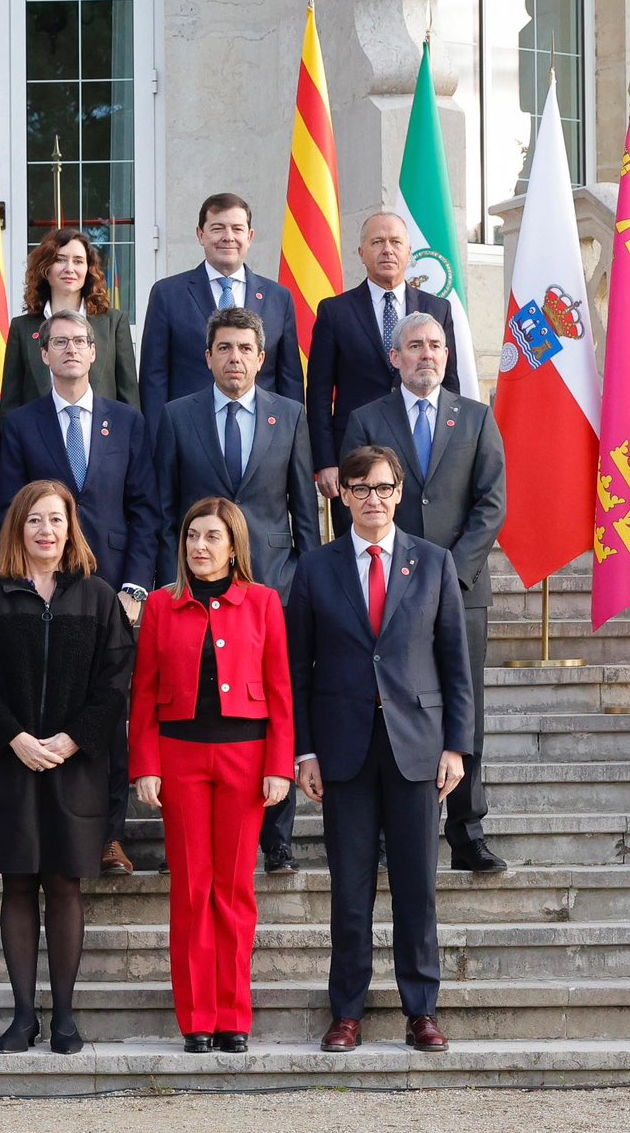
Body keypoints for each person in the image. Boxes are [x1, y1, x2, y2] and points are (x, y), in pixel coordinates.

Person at [291, 445, 473, 1055]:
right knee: (350, 886)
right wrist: (305, 751)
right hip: (343, 749)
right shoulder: (316, 569)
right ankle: (347, 1010)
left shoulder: (434, 562)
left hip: (417, 747)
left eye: (385, 488)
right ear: (342, 494)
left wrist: (457, 745)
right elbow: (298, 668)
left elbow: (455, 662)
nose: (374, 498)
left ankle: (421, 1011)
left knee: (417, 886)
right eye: (361, 488)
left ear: (399, 493)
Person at [0, 481, 134, 1055]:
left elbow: (115, 684)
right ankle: (22, 1016)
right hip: (6, 763)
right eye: (34, 521)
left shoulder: (98, 597)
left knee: (64, 883)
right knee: (17, 882)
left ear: (70, 527)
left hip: (74, 764)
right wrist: (15, 737)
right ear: (18, 528)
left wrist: (70, 739)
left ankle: (64, 1017)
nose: (46, 532)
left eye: (55, 520)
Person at [152, 306, 317, 874]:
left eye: (245, 349)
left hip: (273, 586)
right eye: (224, 348)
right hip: (197, 588)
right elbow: (167, 509)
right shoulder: (178, 416)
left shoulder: (289, 416)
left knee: (275, 697)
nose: (235, 358)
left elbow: (304, 511)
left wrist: (308, 583)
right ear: (208, 357)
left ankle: (278, 837)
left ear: (262, 357)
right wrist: (165, 586)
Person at [341, 312, 508, 874]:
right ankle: (393, 832)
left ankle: (467, 831)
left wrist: (450, 576)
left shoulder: (479, 420)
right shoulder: (367, 419)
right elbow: (359, 501)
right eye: (414, 346)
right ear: (396, 358)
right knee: (392, 703)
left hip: (461, 590)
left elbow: (491, 505)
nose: (427, 355)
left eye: (436, 345)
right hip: (386, 590)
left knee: (465, 709)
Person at [0, 308, 159, 876]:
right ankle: (50, 833)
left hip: (114, 593)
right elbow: (6, 511)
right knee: (49, 712)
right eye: (58, 342)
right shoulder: (19, 424)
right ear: (43, 355)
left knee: (109, 715)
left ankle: (109, 837)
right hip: (44, 596)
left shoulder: (128, 422)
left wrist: (135, 586)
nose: (69, 350)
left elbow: (145, 510)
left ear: (95, 352)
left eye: (79, 342)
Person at [128, 498, 294, 1054]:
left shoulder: (264, 603)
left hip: (246, 759)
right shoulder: (159, 605)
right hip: (180, 759)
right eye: (192, 536)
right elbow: (145, 692)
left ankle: (234, 1016)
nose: (199, 546)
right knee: (192, 889)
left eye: (212, 537)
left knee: (234, 890)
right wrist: (145, 765)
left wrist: (279, 766)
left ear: (233, 545)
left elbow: (280, 693)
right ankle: (197, 1018)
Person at [305, 211, 461, 532]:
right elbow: (319, 394)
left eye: (395, 242)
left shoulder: (437, 309)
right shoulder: (335, 311)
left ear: (408, 253)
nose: (387, 250)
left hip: (421, 453)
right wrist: (325, 462)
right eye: (377, 242)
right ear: (362, 253)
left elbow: (450, 384)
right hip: (356, 458)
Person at [140, 193, 302, 427]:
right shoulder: (168, 294)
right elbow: (153, 378)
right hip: (189, 433)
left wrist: (293, 439)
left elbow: (290, 380)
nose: (228, 237)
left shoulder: (279, 298)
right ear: (200, 234)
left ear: (250, 236)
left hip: (262, 438)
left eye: (237, 229)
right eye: (218, 228)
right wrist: (158, 443)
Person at [0, 227, 139, 412]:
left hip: (103, 437)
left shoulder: (114, 323)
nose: (69, 269)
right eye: (60, 259)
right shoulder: (22, 327)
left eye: (78, 261)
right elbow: (11, 406)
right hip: (38, 438)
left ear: (88, 269)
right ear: (45, 268)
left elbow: (129, 400)